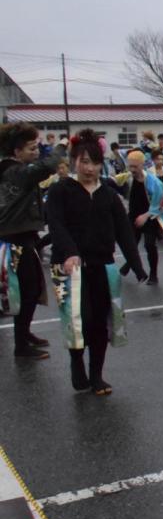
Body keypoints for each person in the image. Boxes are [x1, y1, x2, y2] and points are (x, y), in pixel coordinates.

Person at [45, 130, 146, 395]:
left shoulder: (108, 194)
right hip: (70, 267)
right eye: (84, 161)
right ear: (73, 161)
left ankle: (97, 375)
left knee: (100, 322)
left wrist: (136, 265)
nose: (89, 168)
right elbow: (55, 224)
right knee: (80, 319)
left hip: (103, 265)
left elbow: (123, 230)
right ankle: (77, 363)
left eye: (95, 162)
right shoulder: (60, 190)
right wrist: (68, 252)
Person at [0, 122, 58, 358]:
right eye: (31, 148)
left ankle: (24, 334)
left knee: (30, 289)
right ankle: (21, 345)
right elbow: (48, 166)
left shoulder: (14, 170)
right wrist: (58, 147)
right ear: (16, 151)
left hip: (23, 235)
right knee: (26, 290)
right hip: (15, 238)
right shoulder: (13, 171)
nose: (36, 152)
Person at [117, 150, 163, 284]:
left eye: (135, 166)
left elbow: (161, 202)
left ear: (143, 165)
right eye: (130, 166)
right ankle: (130, 264)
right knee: (130, 244)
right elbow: (112, 182)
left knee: (149, 245)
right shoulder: (128, 177)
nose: (132, 169)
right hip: (133, 215)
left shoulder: (152, 182)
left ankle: (153, 275)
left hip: (149, 217)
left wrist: (145, 216)